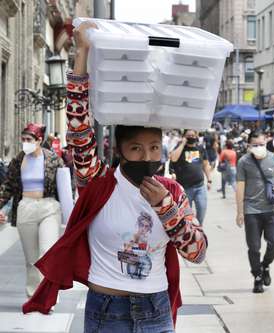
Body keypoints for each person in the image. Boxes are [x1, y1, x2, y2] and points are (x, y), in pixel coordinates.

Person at [22, 22, 208, 332]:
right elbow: (79, 128)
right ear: (119, 150)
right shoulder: (98, 182)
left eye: (152, 148)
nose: (147, 157)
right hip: (107, 312)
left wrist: (166, 209)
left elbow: (197, 251)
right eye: (136, 148)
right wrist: (83, 51)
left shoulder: (172, 191)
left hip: (155, 312)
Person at [0, 123, 64, 297]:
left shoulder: (53, 159)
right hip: (26, 206)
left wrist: (70, 211)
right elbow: (8, 186)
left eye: (29, 140)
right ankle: (34, 295)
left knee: (47, 253)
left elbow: (65, 184)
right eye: (23, 140)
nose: (25, 143)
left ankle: (48, 297)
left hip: (49, 206)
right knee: (32, 259)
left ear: (39, 140)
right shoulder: (18, 160)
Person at [236, 131, 274, 293]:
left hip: (270, 209)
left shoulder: (273, 158)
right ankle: (257, 277)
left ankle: (265, 265)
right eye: (255, 145)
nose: (259, 147)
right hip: (251, 210)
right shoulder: (244, 162)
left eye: (261, 144)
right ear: (249, 145)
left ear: (266, 142)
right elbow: (240, 186)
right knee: (254, 247)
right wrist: (239, 211)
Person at [170, 129, 212, 225]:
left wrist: (209, 180)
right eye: (188, 135)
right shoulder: (180, 148)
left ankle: (198, 229)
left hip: (199, 187)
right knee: (186, 216)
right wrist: (182, 143)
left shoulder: (200, 148)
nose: (191, 137)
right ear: (184, 136)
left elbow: (206, 165)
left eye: (193, 135)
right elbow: (173, 158)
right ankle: (189, 233)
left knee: (202, 210)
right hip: (185, 189)